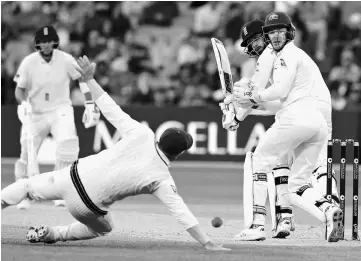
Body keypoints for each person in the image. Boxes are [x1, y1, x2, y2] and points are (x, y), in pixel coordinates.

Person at [1, 56, 230, 251]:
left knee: (27, 187)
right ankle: (53, 234)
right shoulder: (161, 178)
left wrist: (90, 79)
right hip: (86, 207)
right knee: (103, 228)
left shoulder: (142, 133)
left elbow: (110, 108)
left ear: (160, 137)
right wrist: (207, 242)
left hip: (69, 175)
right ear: (178, 155)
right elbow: (181, 212)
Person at [223, 12, 343, 242]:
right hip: (313, 119)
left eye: (256, 40)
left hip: (304, 111)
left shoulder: (279, 55)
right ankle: (325, 210)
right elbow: (273, 102)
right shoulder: (281, 55)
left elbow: (274, 96)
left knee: (261, 161)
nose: (254, 46)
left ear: (267, 35)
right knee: (294, 178)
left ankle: (258, 225)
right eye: (250, 44)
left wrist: (244, 101)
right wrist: (240, 111)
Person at [13, 25, 100, 209]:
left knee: (68, 145)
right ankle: (23, 193)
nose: (46, 45)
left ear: (55, 42)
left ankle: (60, 191)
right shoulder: (29, 62)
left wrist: (89, 102)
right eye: (42, 42)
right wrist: (23, 103)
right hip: (35, 111)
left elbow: (82, 78)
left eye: (49, 41)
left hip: (60, 109)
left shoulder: (66, 59)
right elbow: (19, 90)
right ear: (37, 43)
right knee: (27, 152)